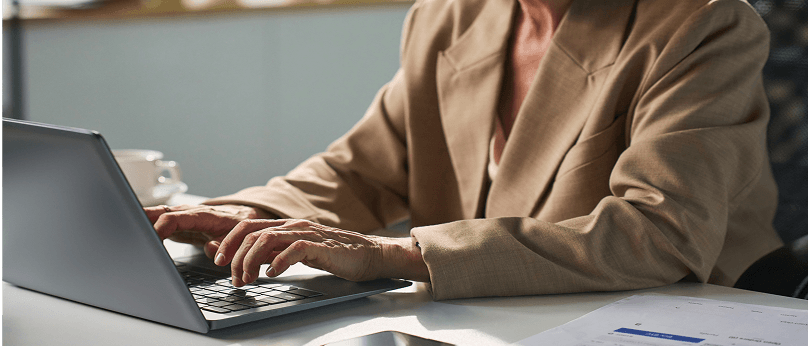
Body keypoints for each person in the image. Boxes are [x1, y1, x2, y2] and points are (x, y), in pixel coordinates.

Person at [146, 0, 784, 300]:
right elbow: (361, 169)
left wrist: (397, 254)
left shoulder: (702, 24)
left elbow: (658, 233)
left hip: (677, 311)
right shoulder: (449, 16)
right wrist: (243, 212)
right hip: (498, 316)